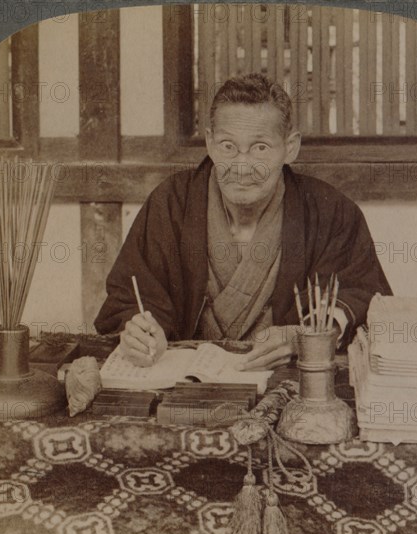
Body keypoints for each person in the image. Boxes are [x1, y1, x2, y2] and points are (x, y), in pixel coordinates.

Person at [95, 73, 392, 370]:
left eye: (260, 148)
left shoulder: (331, 212)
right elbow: (128, 295)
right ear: (210, 143)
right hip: (187, 387)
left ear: (290, 147)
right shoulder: (172, 204)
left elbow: (367, 297)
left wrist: (309, 336)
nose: (241, 166)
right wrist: (139, 333)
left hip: (287, 386)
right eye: (228, 147)